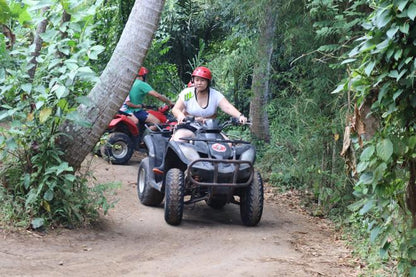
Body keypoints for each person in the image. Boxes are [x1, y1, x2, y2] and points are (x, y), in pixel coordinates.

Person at [171, 66, 247, 141]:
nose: (199, 83)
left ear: (208, 82)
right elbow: (176, 109)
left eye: (202, 80)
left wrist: (240, 116)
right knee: (179, 139)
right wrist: (180, 115)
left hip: (210, 128)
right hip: (189, 126)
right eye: (197, 80)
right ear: (193, 80)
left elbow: (227, 107)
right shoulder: (188, 93)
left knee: (228, 144)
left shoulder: (215, 95)